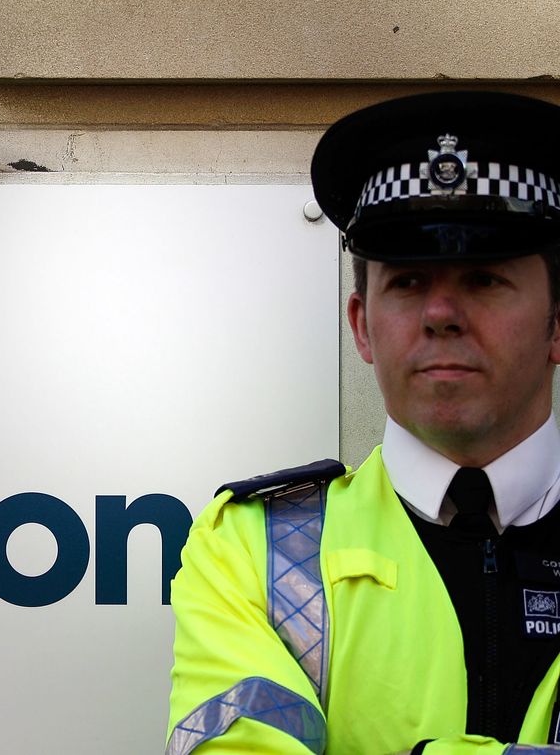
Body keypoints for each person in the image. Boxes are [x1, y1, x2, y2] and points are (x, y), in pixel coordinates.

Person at [165, 91, 560, 754]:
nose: (440, 312)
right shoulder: (252, 551)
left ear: (558, 323)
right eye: (406, 281)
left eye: (484, 278)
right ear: (361, 325)